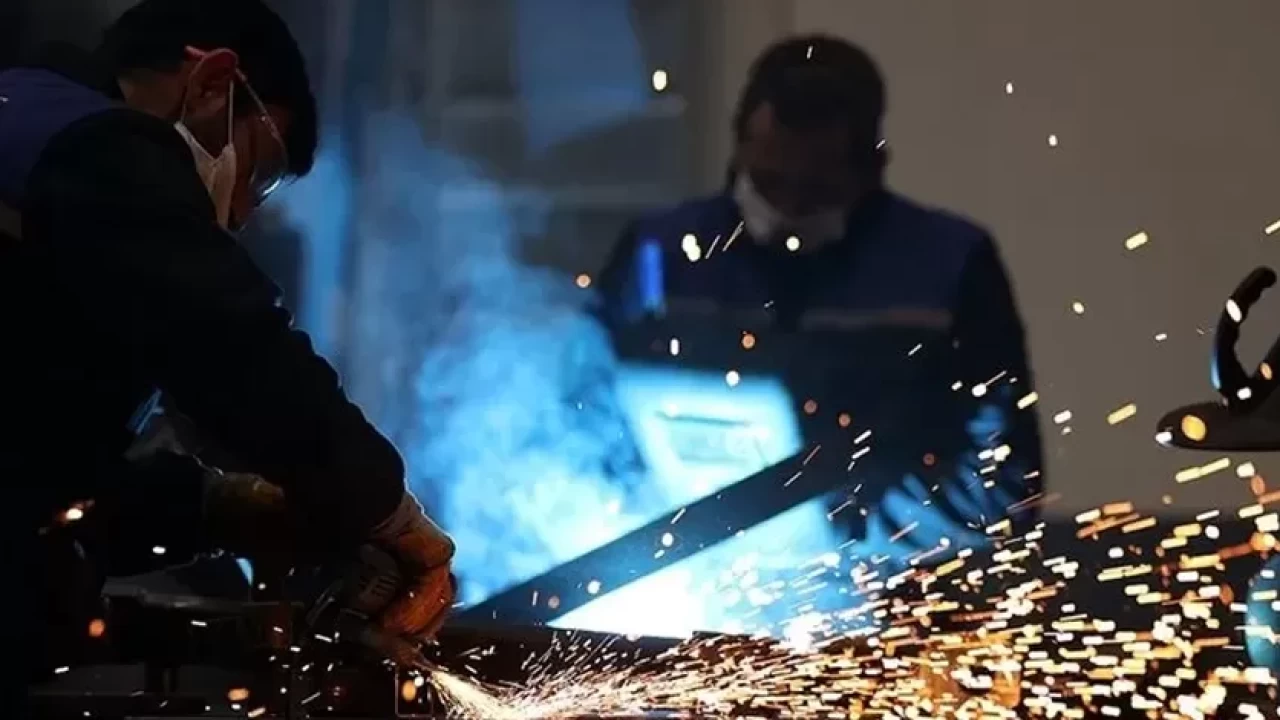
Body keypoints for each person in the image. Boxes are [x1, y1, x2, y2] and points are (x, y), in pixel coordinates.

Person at [0, 0, 454, 680]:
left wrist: (211, 508)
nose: (239, 214)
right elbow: (233, 347)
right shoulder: (90, 144)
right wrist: (385, 508)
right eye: (258, 174)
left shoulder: (36, 141)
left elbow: (46, 480)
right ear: (213, 82)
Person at [597, 35, 1044, 627]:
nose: (785, 207)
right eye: (768, 180)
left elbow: (1004, 477)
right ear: (740, 148)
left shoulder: (947, 264)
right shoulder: (662, 253)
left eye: (813, 191)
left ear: (869, 167)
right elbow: (583, 412)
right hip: (685, 583)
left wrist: (852, 550)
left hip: (883, 605)